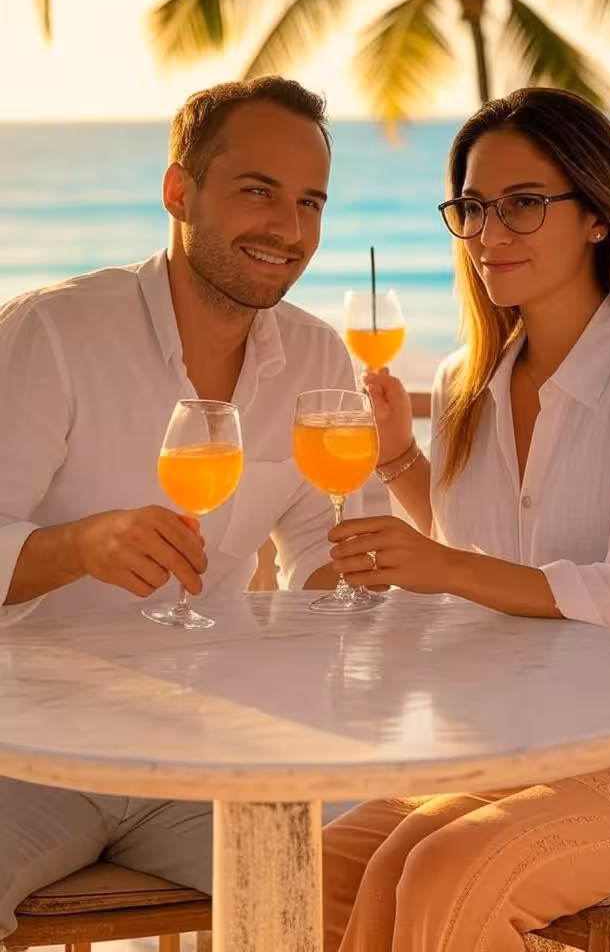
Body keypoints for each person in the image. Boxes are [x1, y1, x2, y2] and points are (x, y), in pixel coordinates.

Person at [322, 87, 610, 951]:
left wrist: (437, 565)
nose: (490, 233)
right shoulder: (472, 377)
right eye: (472, 208)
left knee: (444, 872)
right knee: (320, 869)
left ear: (597, 218)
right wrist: (399, 461)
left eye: (524, 204)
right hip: (543, 734)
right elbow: (493, 555)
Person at [0, 75, 386, 937]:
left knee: (393, 879)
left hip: (218, 751)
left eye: (310, 202)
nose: (288, 230)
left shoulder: (318, 356)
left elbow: (325, 557)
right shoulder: (51, 334)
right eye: (258, 192)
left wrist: (359, 572)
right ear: (180, 191)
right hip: (27, 749)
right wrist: (78, 546)